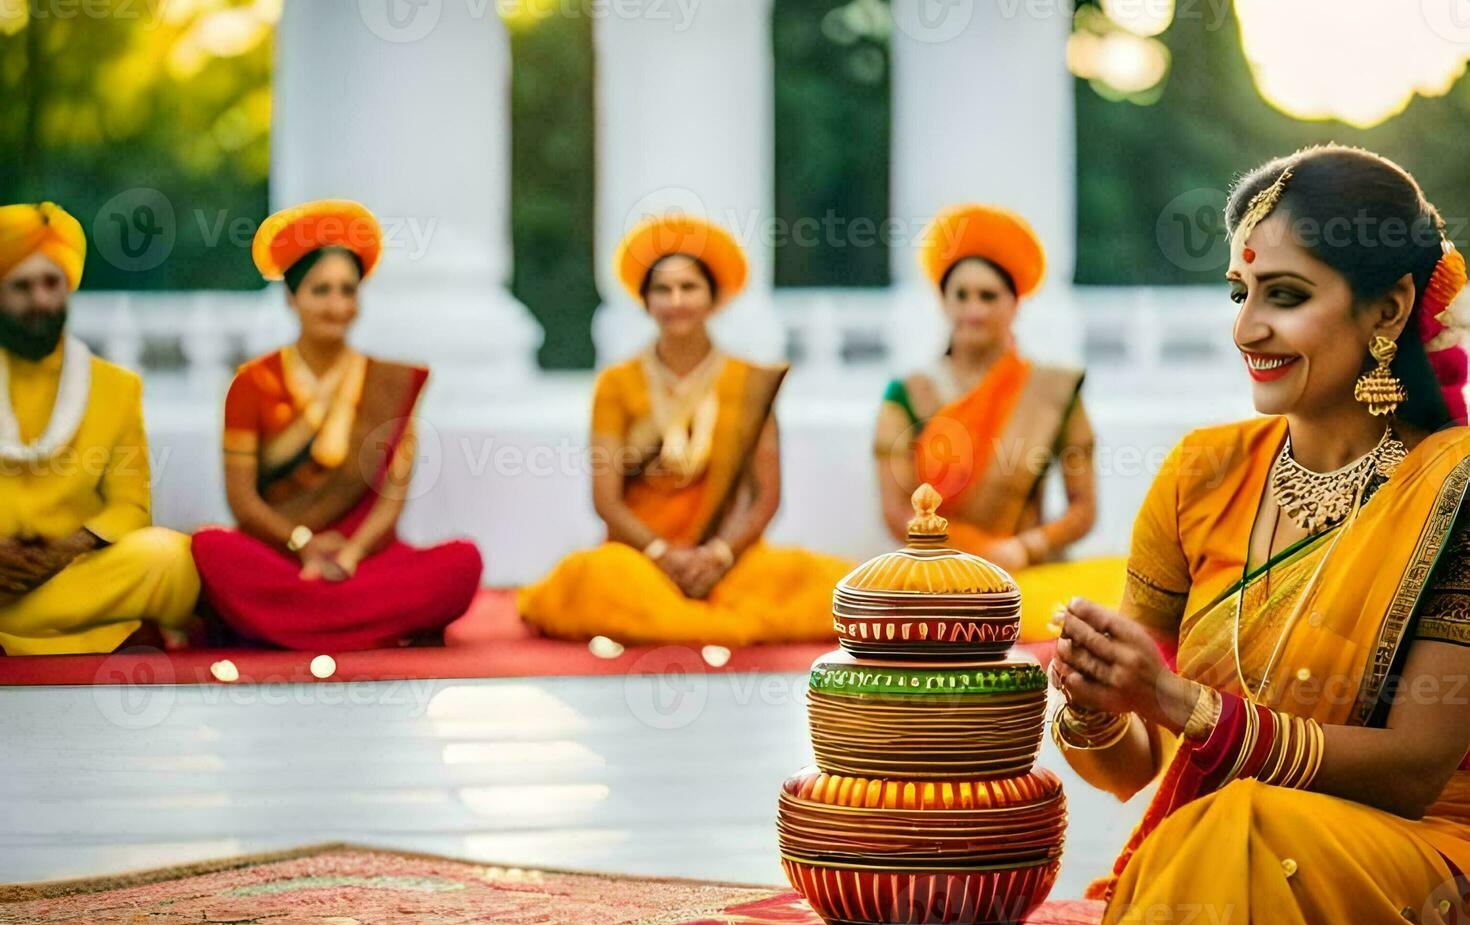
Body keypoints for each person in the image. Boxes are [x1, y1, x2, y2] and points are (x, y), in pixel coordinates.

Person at [1051, 146, 1470, 925]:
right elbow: (1133, 768)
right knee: (1228, 828)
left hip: (1418, 857)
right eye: (1239, 294)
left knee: (1239, 829)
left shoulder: (1453, 493)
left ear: (1387, 312)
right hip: (1222, 846)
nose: (1246, 329)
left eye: (1285, 296)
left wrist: (1175, 698)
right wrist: (1097, 701)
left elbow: (1416, 771)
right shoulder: (1200, 475)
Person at [518, 215, 850, 647]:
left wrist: (718, 553)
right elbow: (605, 498)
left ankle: (686, 618)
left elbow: (767, 497)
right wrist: (661, 553)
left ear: (713, 297)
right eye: (662, 289)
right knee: (598, 576)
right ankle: (719, 624)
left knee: (807, 578)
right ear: (645, 300)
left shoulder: (748, 383)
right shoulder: (617, 384)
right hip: (640, 561)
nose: (676, 300)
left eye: (689, 287)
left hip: (727, 563)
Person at [191, 200, 482, 651]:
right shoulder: (251, 384)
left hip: (367, 559)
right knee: (211, 549)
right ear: (291, 296)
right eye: (321, 290)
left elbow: (390, 504)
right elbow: (243, 503)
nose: (337, 305)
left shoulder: (394, 382)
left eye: (348, 290)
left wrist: (349, 555)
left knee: (463, 563)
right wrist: (302, 543)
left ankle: (284, 626)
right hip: (282, 557)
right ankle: (372, 627)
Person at [875, 203, 1123, 641]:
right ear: (943, 301)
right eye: (961, 295)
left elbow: (1083, 509)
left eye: (988, 296)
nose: (974, 309)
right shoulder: (907, 394)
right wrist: (965, 555)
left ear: (1014, 304)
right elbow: (897, 512)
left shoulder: (1053, 390)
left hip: (1025, 576)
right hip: (936, 579)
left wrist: (1025, 548)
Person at [0, 201, 199, 655]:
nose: (39, 301)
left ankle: (22, 632)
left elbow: (131, 506)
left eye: (51, 283)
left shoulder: (115, 387)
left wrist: (66, 547)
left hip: (76, 569)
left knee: (172, 559)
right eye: (21, 286)